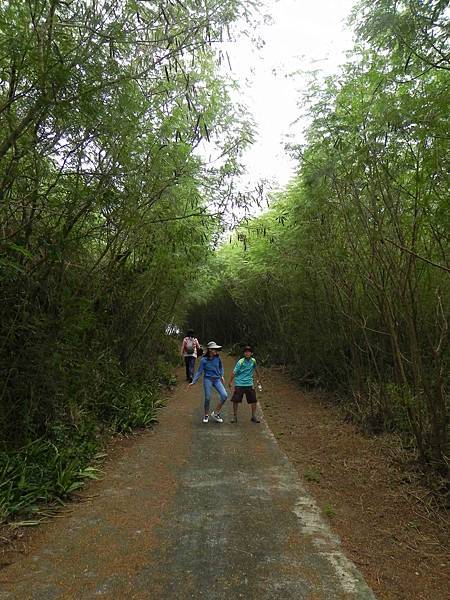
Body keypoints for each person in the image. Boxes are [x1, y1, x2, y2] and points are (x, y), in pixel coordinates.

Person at [190, 341, 227, 423]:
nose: (216, 351)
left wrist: (221, 375)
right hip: (208, 379)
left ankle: (215, 413)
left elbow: (221, 367)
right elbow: (199, 371)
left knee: (224, 396)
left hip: (217, 379)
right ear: (210, 349)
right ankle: (206, 415)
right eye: (214, 349)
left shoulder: (218, 358)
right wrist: (194, 381)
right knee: (207, 398)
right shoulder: (204, 360)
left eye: (216, 349)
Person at [229, 346, 262, 423]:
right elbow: (234, 372)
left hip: (249, 384)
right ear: (244, 353)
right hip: (239, 384)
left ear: (251, 353)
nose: (247, 353)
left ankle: (253, 416)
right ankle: (235, 416)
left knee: (254, 400)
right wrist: (230, 381)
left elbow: (256, 369)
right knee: (235, 400)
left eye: (249, 352)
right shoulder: (241, 362)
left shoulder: (253, 361)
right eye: (246, 352)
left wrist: (259, 378)